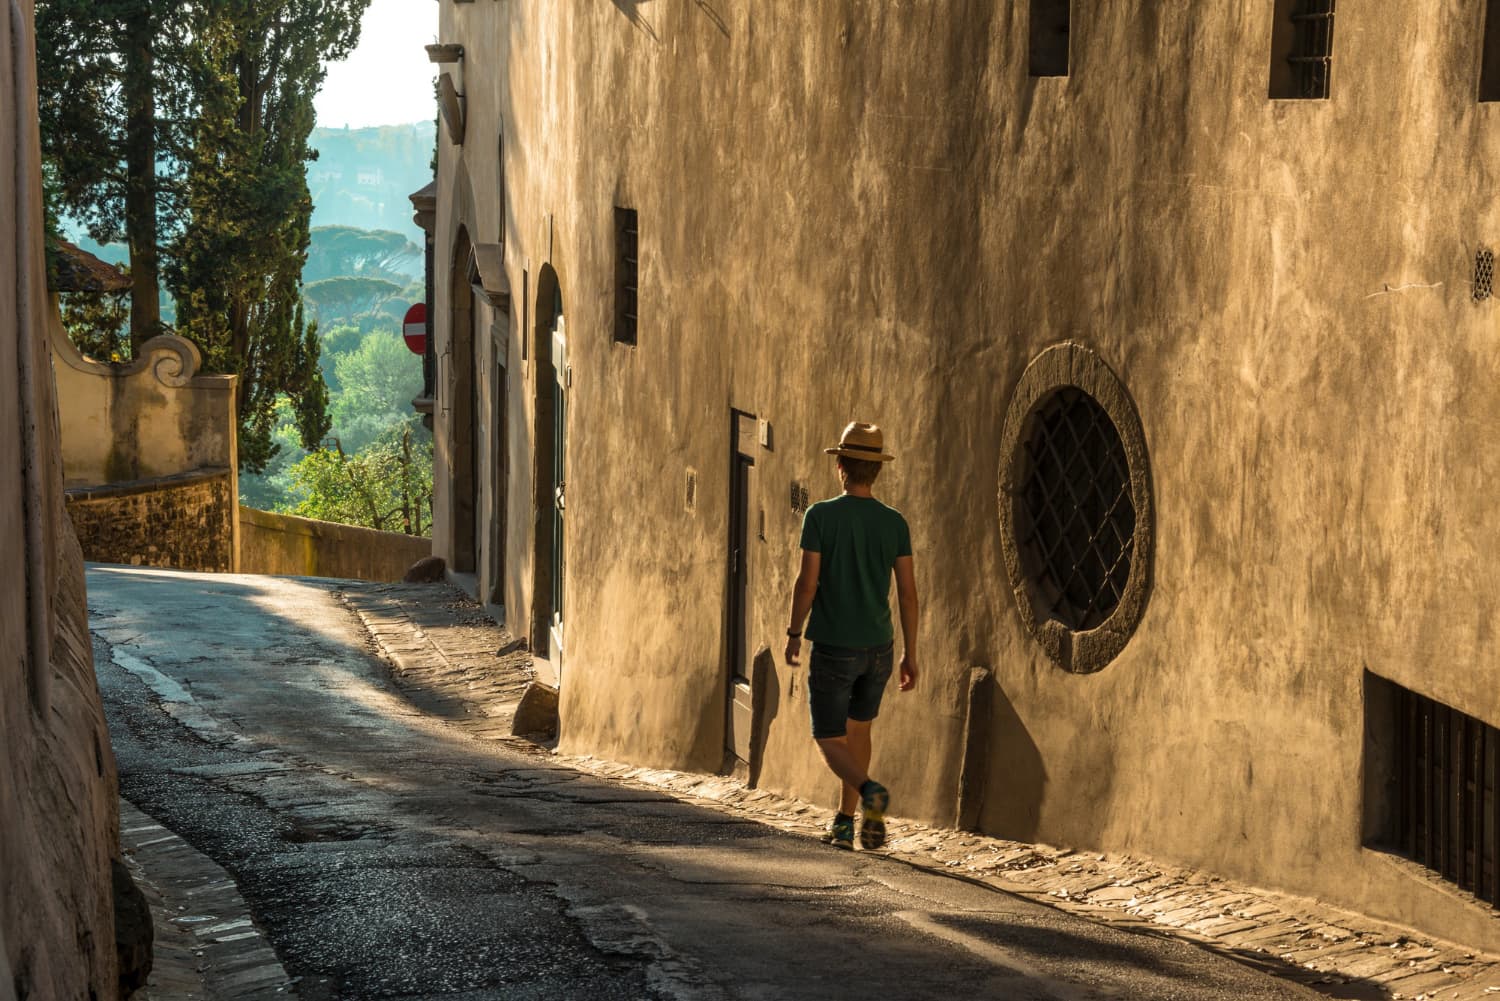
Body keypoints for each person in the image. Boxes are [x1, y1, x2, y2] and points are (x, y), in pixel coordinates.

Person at [785, 421, 919, 850]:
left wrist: (793, 631)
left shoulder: (820, 516)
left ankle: (869, 793)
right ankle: (846, 823)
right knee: (858, 733)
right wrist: (910, 653)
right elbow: (908, 593)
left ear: (840, 465)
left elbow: (807, 583)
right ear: (875, 471)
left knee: (828, 736)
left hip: (835, 645)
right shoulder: (894, 523)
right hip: (879, 647)